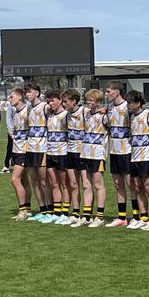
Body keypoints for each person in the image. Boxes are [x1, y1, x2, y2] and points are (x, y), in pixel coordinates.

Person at [72, 89, 108, 228]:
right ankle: (86, 216)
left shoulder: (104, 117)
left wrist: (105, 111)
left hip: (98, 154)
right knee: (86, 185)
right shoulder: (86, 113)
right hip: (85, 153)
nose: (88, 103)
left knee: (98, 185)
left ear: (98, 102)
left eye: (91, 101)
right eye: (87, 100)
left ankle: (99, 216)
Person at [123, 90, 149, 230]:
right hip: (135, 156)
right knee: (137, 187)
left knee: (148, 187)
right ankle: (143, 217)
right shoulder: (132, 117)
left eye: (130, 103)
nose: (128, 105)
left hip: (147, 157)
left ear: (138, 103)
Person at [24, 83, 53, 222]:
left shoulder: (45, 107)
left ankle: (50, 209)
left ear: (37, 93)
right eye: (26, 92)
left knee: (44, 181)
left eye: (29, 92)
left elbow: (59, 108)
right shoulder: (29, 108)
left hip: (42, 148)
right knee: (34, 180)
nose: (27, 94)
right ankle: (42, 210)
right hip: (30, 148)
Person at [105, 81, 131, 226]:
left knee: (131, 185)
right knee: (117, 184)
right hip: (113, 151)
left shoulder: (128, 106)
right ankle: (122, 217)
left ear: (117, 92)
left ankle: (138, 216)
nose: (106, 94)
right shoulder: (109, 107)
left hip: (126, 151)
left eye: (108, 91)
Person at [41, 90, 70, 224]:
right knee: (54, 184)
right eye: (48, 101)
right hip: (50, 152)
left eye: (53, 100)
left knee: (64, 184)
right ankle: (57, 212)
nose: (50, 103)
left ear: (60, 100)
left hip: (62, 153)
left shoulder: (65, 115)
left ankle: (65, 212)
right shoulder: (50, 115)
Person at [58, 89, 85, 225]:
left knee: (86, 185)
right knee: (73, 184)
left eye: (66, 101)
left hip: (83, 153)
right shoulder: (67, 115)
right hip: (70, 151)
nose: (63, 104)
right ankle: (75, 213)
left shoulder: (84, 112)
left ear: (74, 101)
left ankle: (86, 214)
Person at [8, 89, 32, 221]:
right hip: (17, 150)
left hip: (25, 150)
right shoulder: (15, 112)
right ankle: (27, 209)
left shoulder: (28, 110)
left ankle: (22, 209)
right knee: (24, 180)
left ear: (19, 97)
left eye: (12, 96)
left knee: (14, 179)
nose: (9, 99)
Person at [2, 99, 14, 174]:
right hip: (13, 131)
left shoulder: (28, 104)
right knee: (10, 148)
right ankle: (6, 166)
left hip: (24, 132)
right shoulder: (11, 105)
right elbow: (8, 118)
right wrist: (10, 129)